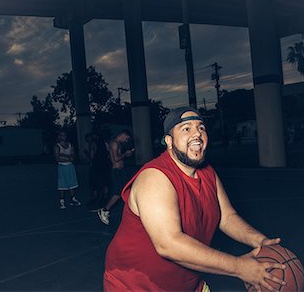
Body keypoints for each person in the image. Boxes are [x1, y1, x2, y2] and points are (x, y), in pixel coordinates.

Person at [104, 107, 286, 292]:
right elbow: (168, 244)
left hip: (188, 283)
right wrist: (239, 267)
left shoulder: (208, 173)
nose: (197, 134)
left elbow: (227, 217)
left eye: (201, 128)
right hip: (137, 285)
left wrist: (260, 241)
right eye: (186, 128)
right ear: (169, 141)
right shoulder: (154, 178)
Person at [97, 129, 134, 225]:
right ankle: (105, 210)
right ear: (123, 135)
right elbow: (115, 159)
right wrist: (126, 154)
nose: (126, 141)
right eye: (127, 139)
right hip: (117, 171)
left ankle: (131, 212)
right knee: (118, 192)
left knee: (127, 190)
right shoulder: (114, 143)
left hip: (121, 170)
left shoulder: (117, 143)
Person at [54, 130, 81, 209]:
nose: (63, 137)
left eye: (64, 135)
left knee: (72, 183)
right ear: (59, 137)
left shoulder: (70, 145)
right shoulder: (57, 146)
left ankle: (73, 199)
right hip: (62, 167)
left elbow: (73, 157)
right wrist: (67, 158)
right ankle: (62, 201)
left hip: (70, 167)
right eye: (62, 135)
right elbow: (57, 159)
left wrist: (64, 156)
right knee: (62, 184)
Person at [84, 132, 111, 209]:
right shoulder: (104, 143)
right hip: (105, 165)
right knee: (105, 182)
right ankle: (105, 199)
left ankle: (95, 199)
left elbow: (92, 156)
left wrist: (87, 154)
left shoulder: (93, 143)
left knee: (94, 183)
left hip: (96, 166)